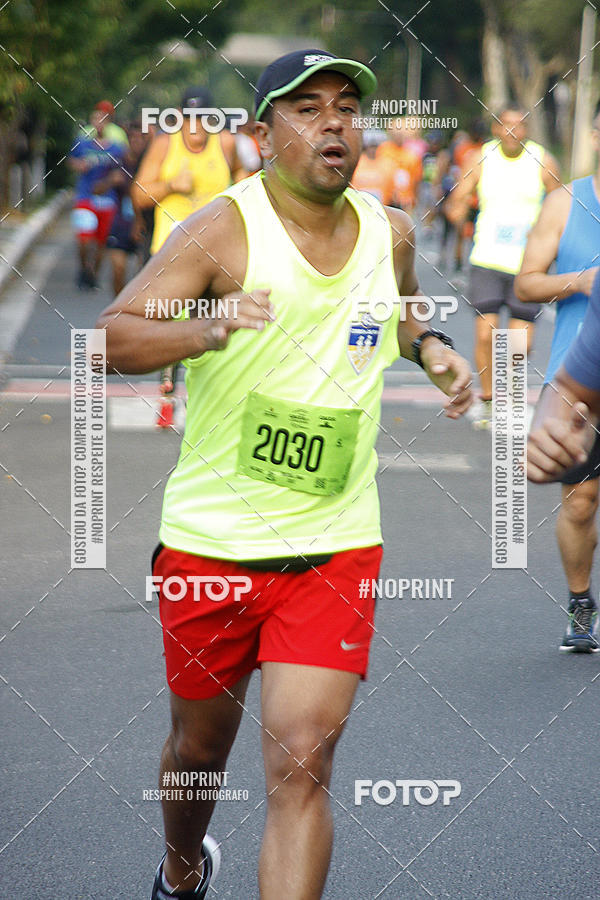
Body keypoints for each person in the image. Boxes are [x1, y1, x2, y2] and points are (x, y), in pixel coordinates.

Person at [97, 49, 473, 900]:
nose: (333, 121)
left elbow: (402, 308)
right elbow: (111, 337)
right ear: (263, 136)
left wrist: (433, 348)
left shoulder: (391, 229)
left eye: (346, 106)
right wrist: (205, 327)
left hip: (335, 543)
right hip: (212, 547)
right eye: (307, 108)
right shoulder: (221, 231)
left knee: (303, 761)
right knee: (199, 750)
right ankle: (182, 866)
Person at [516, 110, 600, 651]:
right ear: (595, 136)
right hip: (579, 379)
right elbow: (526, 284)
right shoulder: (566, 202)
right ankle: (581, 601)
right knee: (580, 502)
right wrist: (583, 281)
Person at [132, 86, 245, 426]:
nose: (197, 126)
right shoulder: (165, 145)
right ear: (180, 118)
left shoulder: (225, 143)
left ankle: (209, 402)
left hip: (215, 252)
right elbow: (139, 194)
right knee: (172, 326)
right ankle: (167, 397)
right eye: (191, 118)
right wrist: (170, 186)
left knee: (215, 327)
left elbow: (243, 178)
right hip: (171, 252)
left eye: (204, 118)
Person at [446, 104, 561, 429]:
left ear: (526, 130)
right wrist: (457, 210)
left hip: (528, 264)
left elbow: (560, 202)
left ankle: (507, 394)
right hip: (487, 259)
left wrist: (552, 238)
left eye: (519, 125)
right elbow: (458, 198)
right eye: (506, 125)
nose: (513, 131)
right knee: (486, 334)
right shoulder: (480, 158)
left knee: (520, 344)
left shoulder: (542, 160)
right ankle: (488, 400)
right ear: (496, 128)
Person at [69, 108, 125, 289]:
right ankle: (83, 268)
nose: (99, 123)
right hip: (85, 196)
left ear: (108, 123)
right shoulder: (82, 144)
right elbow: (71, 160)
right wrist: (79, 165)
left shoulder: (116, 148)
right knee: (84, 238)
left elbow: (123, 170)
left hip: (108, 200)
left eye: (103, 119)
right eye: (96, 119)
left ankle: (93, 275)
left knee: (102, 242)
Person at [101, 121, 152, 296]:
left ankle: (136, 307)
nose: (136, 141)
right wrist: (110, 181)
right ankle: (118, 306)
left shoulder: (152, 162)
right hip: (121, 224)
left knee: (144, 275)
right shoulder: (118, 161)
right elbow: (96, 189)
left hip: (146, 226)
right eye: (133, 137)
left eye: (141, 138)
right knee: (118, 269)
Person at [376, 117, 422, 211]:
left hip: (404, 200)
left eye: (401, 132)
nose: (399, 135)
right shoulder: (382, 150)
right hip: (385, 198)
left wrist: (413, 198)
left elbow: (416, 180)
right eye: (396, 132)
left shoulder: (411, 156)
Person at [350, 129, 394, 203]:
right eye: (371, 146)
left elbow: (392, 189)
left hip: (382, 205)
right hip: (359, 203)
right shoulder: (357, 162)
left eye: (375, 146)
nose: (373, 150)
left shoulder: (388, 164)